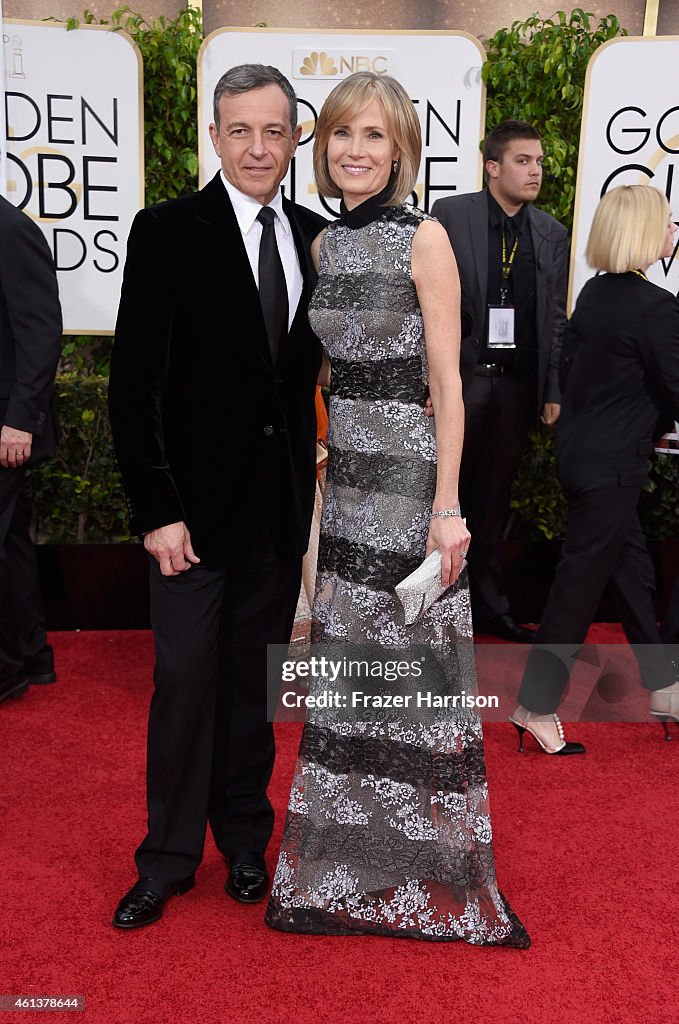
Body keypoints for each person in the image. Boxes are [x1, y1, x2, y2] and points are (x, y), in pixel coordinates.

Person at [265, 72, 529, 947]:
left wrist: (447, 509)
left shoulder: (424, 239)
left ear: (400, 147)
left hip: (413, 488)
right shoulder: (323, 247)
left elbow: (449, 387)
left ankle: (424, 862)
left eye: (373, 137)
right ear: (322, 146)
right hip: (344, 488)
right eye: (342, 135)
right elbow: (323, 373)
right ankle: (345, 862)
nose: (354, 152)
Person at [108, 64, 327, 929]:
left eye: (274, 131)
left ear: (293, 138)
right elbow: (135, 387)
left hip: (276, 515)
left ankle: (243, 839)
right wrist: (156, 509)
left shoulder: (315, 236)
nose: (258, 147)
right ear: (214, 136)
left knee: (250, 689)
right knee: (185, 682)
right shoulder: (167, 231)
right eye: (241, 130)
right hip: (189, 522)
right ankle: (165, 858)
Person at [512, 185, 679, 753]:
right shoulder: (656, 308)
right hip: (611, 467)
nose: (673, 232)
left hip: (583, 459)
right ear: (644, 234)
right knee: (577, 588)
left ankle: (664, 684)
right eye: (667, 222)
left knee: (632, 575)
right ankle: (535, 704)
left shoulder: (597, 295)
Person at [432, 121, 568, 643]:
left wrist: (552, 389)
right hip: (460, 381)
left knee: (492, 501)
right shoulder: (450, 215)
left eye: (538, 162)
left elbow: (555, 316)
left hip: (514, 387)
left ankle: (489, 608)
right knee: (446, 497)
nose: (535, 171)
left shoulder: (550, 232)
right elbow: (426, 306)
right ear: (493, 167)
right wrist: (429, 380)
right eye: (523, 161)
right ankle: (439, 610)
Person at [0, 195, 61, 705]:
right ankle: (31, 656)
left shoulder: (10, 228)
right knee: (11, 542)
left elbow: (41, 329)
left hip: (5, 423)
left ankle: (7, 669)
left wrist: (21, 420)